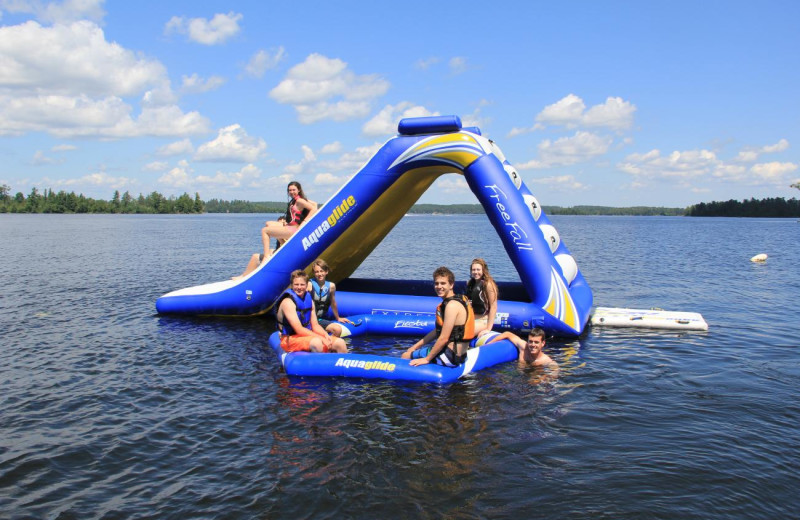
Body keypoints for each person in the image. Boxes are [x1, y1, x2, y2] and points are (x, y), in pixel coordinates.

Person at [402, 266, 475, 367]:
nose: (439, 286)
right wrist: (415, 346)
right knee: (412, 351)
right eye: (436, 283)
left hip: (450, 357)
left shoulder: (451, 306)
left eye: (443, 283)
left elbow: (444, 338)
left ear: (451, 285)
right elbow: (437, 331)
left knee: (405, 356)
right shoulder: (458, 300)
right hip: (460, 355)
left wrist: (426, 359)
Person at [275, 269, 348, 354]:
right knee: (317, 342)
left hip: (307, 336)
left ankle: (339, 366)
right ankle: (320, 366)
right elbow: (298, 329)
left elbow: (315, 325)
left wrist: (325, 335)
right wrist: (321, 338)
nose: (299, 287)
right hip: (289, 339)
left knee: (340, 343)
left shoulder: (309, 299)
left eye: (302, 284)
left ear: (306, 286)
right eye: (296, 284)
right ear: (292, 285)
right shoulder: (288, 302)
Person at [262, 181, 317, 258]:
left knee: (265, 230)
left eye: (294, 190)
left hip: (293, 229)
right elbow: (314, 204)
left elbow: (314, 208)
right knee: (268, 223)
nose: (291, 192)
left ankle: (266, 256)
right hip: (289, 225)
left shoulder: (299, 200)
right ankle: (284, 246)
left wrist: (304, 222)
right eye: (290, 190)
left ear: (299, 190)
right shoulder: (294, 200)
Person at [310, 258, 352, 337]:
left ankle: (329, 346)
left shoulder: (331, 286)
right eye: (317, 272)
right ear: (314, 273)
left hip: (320, 319)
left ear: (326, 272)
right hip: (310, 319)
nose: (319, 274)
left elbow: (333, 302)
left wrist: (338, 318)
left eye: (321, 271)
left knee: (337, 329)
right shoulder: (309, 285)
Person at [487, 327, 557, 369]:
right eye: (530, 341)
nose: (532, 345)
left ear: (543, 343)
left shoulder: (544, 360)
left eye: (536, 342)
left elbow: (554, 366)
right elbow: (507, 334)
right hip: (518, 376)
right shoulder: (523, 347)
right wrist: (489, 344)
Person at [467, 258, 498, 335]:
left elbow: (493, 306)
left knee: (462, 333)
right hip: (471, 318)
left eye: (478, 270)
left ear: (483, 270)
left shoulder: (488, 284)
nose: (475, 272)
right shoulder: (470, 283)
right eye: (473, 270)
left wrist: (488, 328)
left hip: (483, 321)